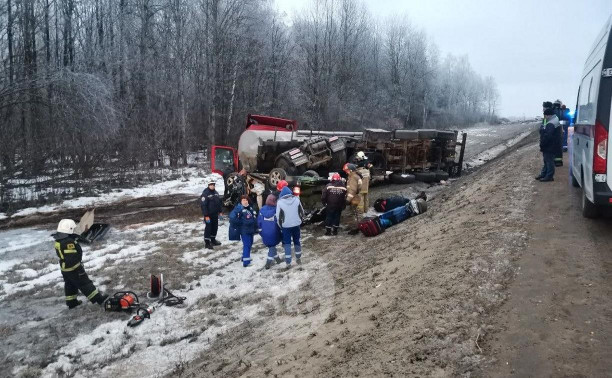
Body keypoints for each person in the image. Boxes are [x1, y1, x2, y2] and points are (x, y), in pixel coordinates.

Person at [53, 219, 107, 309]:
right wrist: (78, 268)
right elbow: (71, 258)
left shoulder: (60, 240)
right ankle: (99, 299)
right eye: (72, 229)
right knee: (85, 283)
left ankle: (71, 302)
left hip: (65, 269)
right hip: (73, 268)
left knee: (70, 285)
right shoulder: (68, 242)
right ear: (69, 229)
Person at [276, 186, 305, 267]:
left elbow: (278, 216)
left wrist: (280, 226)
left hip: (286, 226)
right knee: (297, 241)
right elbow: (302, 212)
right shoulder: (296, 199)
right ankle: (298, 258)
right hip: (296, 224)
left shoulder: (280, 202)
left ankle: (288, 262)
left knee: (287, 243)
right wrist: (300, 221)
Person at [229, 195, 258, 267]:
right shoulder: (238, 209)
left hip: (251, 230)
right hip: (244, 231)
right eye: (243, 200)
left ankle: (244, 257)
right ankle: (246, 262)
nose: (245, 201)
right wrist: (240, 222)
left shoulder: (250, 208)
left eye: (246, 200)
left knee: (250, 244)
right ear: (241, 201)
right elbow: (232, 218)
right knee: (247, 245)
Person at [257, 194, 283, 269]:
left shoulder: (262, 210)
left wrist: (261, 231)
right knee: (272, 246)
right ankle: (268, 262)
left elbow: (259, 222)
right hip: (274, 232)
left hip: (264, 232)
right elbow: (279, 221)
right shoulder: (276, 210)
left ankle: (277, 259)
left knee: (271, 246)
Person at [536, 107, 559, 182]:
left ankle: (549, 176)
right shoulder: (552, 120)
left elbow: (547, 136)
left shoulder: (551, 123)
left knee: (549, 161)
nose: (544, 117)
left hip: (550, 145)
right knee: (546, 160)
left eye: (545, 115)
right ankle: (544, 174)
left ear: (548, 115)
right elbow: (543, 129)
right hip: (551, 144)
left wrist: (542, 144)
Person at [201, 179, 223, 250]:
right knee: (208, 228)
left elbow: (219, 203)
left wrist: (220, 212)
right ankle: (207, 243)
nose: (212, 186)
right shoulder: (205, 193)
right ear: (208, 185)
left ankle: (213, 240)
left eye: (213, 184)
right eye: (211, 185)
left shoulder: (216, 193)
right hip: (208, 215)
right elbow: (203, 206)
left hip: (215, 214)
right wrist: (206, 215)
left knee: (215, 227)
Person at [343, 163, 363, 231]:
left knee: (353, 213)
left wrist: (348, 200)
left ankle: (356, 227)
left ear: (351, 170)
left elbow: (352, 190)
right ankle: (353, 225)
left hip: (354, 197)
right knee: (355, 212)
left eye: (347, 170)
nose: (346, 172)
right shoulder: (355, 176)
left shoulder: (353, 177)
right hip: (356, 197)